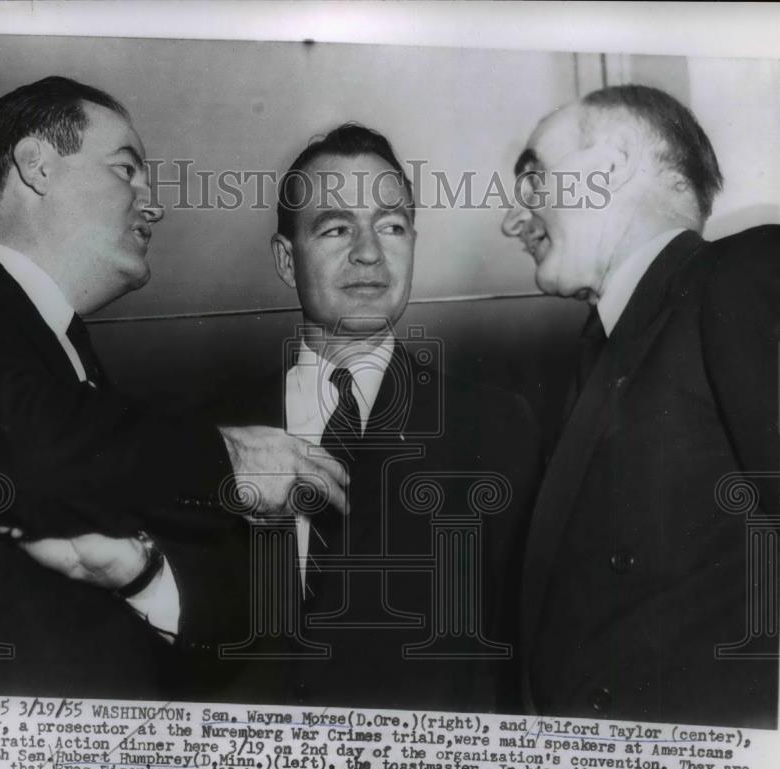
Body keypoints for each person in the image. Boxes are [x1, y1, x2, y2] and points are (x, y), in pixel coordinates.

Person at [0, 76, 347, 699]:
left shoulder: (89, 385)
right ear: (36, 167)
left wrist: (144, 573)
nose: (152, 203)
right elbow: (30, 441)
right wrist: (227, 456)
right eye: (126, 169)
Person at [212, 124, 540, 712]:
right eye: (336, 228)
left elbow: (525, 651)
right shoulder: (210, 427)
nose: (368, 252)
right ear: (287, 261)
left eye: (390, 226)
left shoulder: (495, 427)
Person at [501, 84, 780, 728]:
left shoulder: (742, 274)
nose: (513, 220)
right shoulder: (595, 352)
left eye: (533, 181)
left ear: (610, 164)